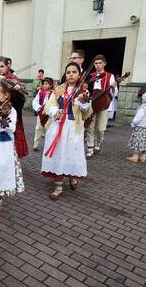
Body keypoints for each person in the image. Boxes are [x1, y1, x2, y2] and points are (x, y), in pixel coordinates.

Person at [42, 62, 92, 200]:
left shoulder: (83, 91)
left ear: (79, 74)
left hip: (73, 128)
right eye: (68, 72)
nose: (71, 74)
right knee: (59, 154)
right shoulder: (58, 89)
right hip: (58, 126)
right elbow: (48, 106)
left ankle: (72, 176)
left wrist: (83, 102)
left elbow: (87, 112)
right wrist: (55, 111)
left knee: (70, 154)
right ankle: (58, 186)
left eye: (74, 72)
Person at [0, 80, 24, 212]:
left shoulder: (11, 111)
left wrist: (2, 119)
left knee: (0, 170)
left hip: (3, 146)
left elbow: (11, 128)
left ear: (6, 95)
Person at [0, 57, 28, 157]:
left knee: (11, 135)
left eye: (2, 66)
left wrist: (17, 91)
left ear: (7, 66)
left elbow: (20, 101)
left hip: (8, 110)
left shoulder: (13, 78)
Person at [86, 55, 117, 159]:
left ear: (104, 63)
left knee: (100, 129)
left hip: (104, 105)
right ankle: (90, 148)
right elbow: (87, 90)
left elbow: (114, 92)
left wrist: (113, 87)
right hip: (91, 105)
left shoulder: (109, 76)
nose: (98, 65)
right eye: (96, 63)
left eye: (100, 63)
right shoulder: (91, 75)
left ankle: (98, 144)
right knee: (90, 127)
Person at [126, 92, 146, 163]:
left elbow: (138, 117)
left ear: (144, 99)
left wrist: (133, 123)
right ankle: (143, 156)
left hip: (140, 127)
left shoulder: (143, 108)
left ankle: (135, 156)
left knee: (138, 141)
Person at [32, 77, 54, 151]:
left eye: (47, 84)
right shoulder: (40, 92)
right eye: (44, 84)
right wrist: (39, 108)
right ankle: (35, 144)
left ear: (50, 85)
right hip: (41, 112)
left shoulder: (53, 93)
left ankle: (48, 145)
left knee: (48, 129)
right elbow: (35, 101)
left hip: (49, 114)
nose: (44, 85)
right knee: (38, 128)